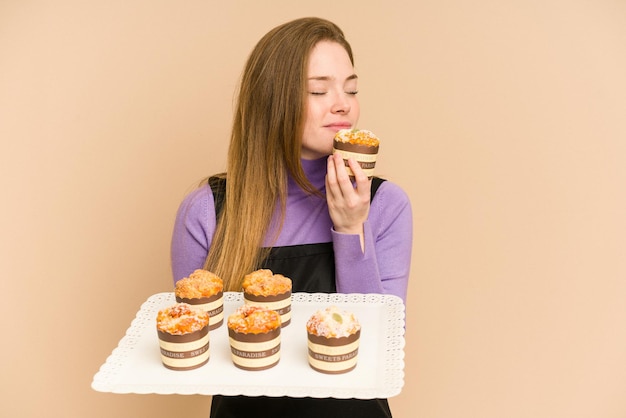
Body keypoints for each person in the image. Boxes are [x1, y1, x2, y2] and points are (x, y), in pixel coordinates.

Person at [170, 17, 412, 418]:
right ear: (272, 101)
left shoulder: (385, 204)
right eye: (319, 89)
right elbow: (196, 350)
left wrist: (351, 228)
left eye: (351, 88)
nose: (343, 103)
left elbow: (379, 350)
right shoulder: (207, 210)